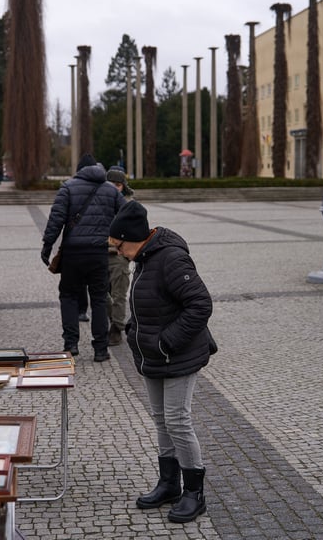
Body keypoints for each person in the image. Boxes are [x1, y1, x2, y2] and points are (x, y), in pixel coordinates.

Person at [108, 200, 215, 523]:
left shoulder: (171, 258)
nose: (116, 251)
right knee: (161, 420)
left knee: (177, 421)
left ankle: (194, 494)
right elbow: (148, 303)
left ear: (134, 237)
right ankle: (169, 483)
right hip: (153, 355)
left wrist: (167, 341)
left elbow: (200, 304)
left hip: (178, 355)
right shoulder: (143, 257)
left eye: (118, 245)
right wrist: (134, 332)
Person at [41, 152, 125, 361]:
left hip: (73, 254)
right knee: (98, 299)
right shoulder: (111, 190)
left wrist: (47, 246)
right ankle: (100, 349)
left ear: (79, 170)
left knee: (68, 296)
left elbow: (56, 219)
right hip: (98, 254)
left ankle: (71, 345)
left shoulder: (67, 188)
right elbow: (127, 215)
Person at [105, 166, 134, 346]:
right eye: (111, 184)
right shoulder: (98, 201)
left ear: (123, 186)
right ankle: (115, 320)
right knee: (100, 293)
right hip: (99, 253)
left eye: (118, 185)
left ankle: (116, 328)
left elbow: (136, 232)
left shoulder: (130, 205)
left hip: (119, 256)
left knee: (119, 294)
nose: (115, 188)